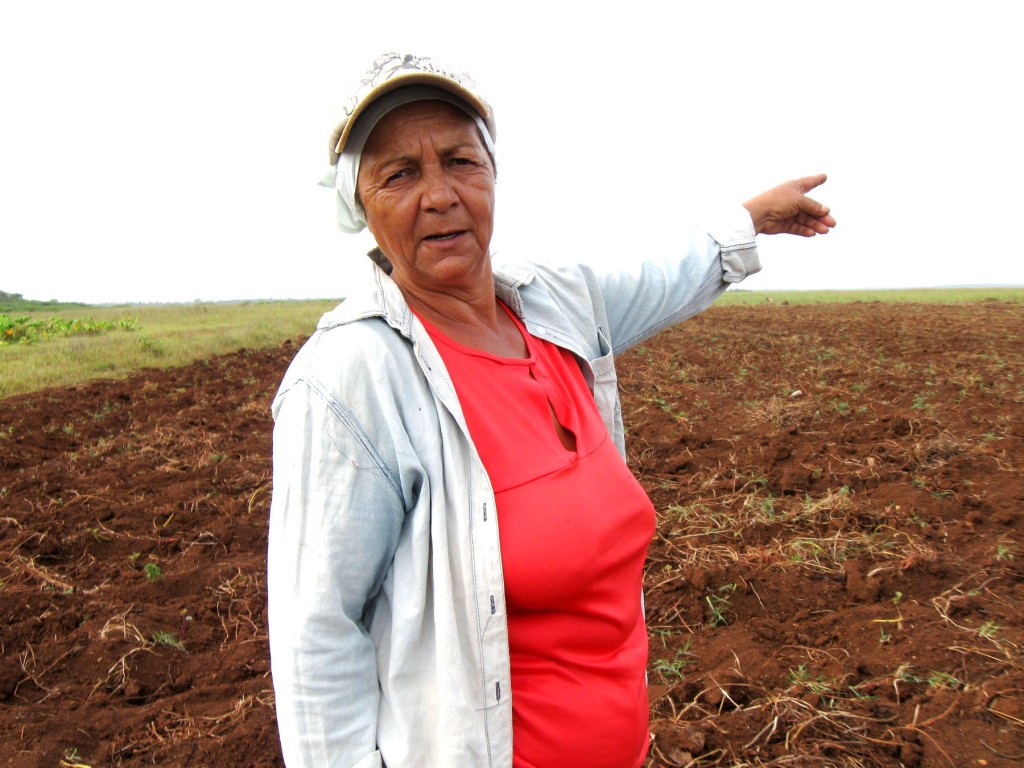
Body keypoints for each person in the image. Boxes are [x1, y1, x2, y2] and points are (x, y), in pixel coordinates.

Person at [267, 52, 835, 768]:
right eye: (400, 173)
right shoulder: (351, 379)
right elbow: (316, 635)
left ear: (492, 175)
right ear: (359, 205)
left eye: (459, 161)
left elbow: (660, 274)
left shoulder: (553, 308)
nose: (440, 194)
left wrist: (749, 218)